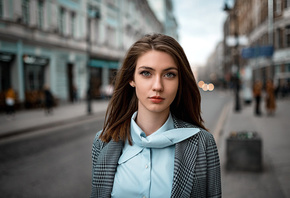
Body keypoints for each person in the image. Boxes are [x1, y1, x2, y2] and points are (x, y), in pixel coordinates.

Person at [90, 34, 221, 198]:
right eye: (146, 73)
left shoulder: (203, 143)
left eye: (169, 74)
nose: (158, 86)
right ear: (132, 78)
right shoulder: (102, 142)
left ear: (180, 81)